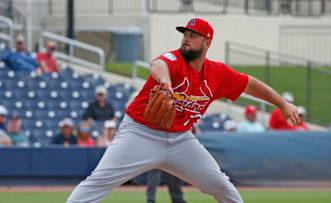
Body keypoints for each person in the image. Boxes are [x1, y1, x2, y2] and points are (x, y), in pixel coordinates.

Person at [67, 18, 300, 203]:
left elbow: (250, 84)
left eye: (193, 36)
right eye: (185, 35)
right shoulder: (174, 59)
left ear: (207, 43)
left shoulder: (217, 74)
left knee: (221, 186)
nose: (186, 39)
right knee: (98, 182)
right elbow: (159, 65)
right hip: (140, 134)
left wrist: (281, 103)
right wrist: (166, 85)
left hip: (180, 140)